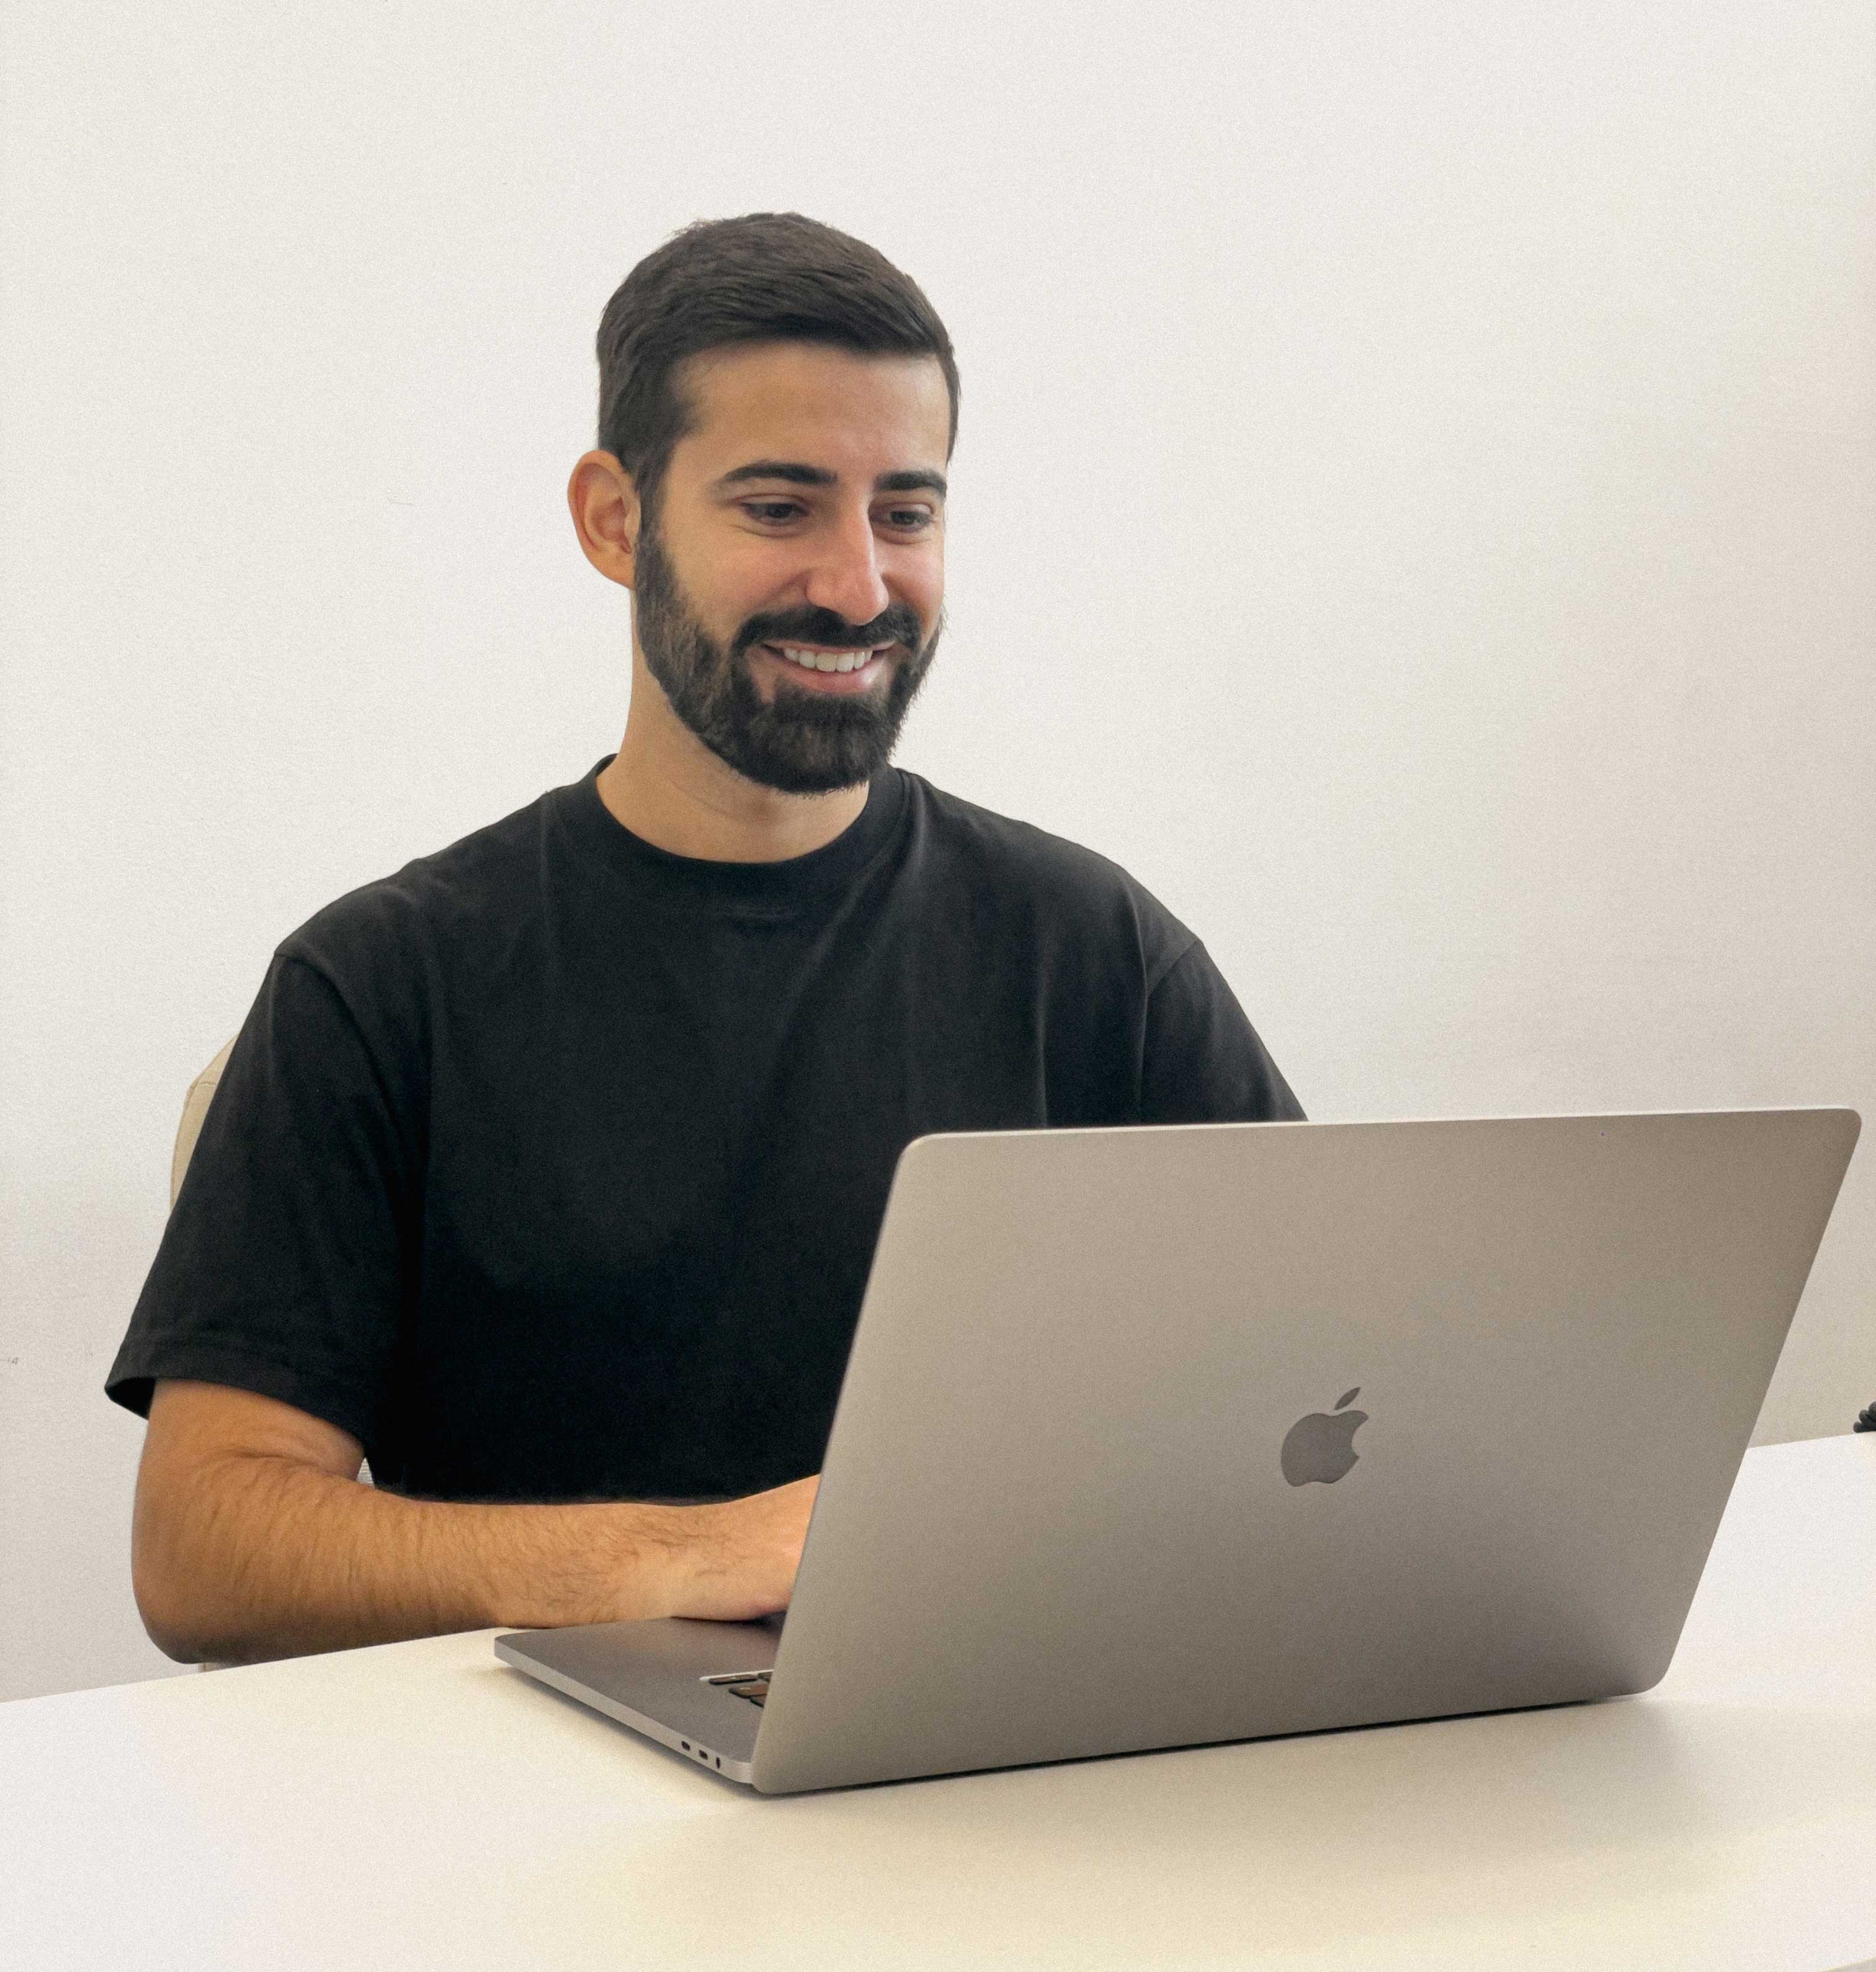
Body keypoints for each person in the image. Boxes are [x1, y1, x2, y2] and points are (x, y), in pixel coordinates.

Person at [107, 212, 1303, 1666]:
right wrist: (685, 1554)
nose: (860, 586)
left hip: (1004, 1763)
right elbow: (204, 1549)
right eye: (780, 505)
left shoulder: (1095, 951)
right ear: (615, 519)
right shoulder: (379, 985)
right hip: (530, 1819)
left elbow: (1321, 1399)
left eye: (906, 512)